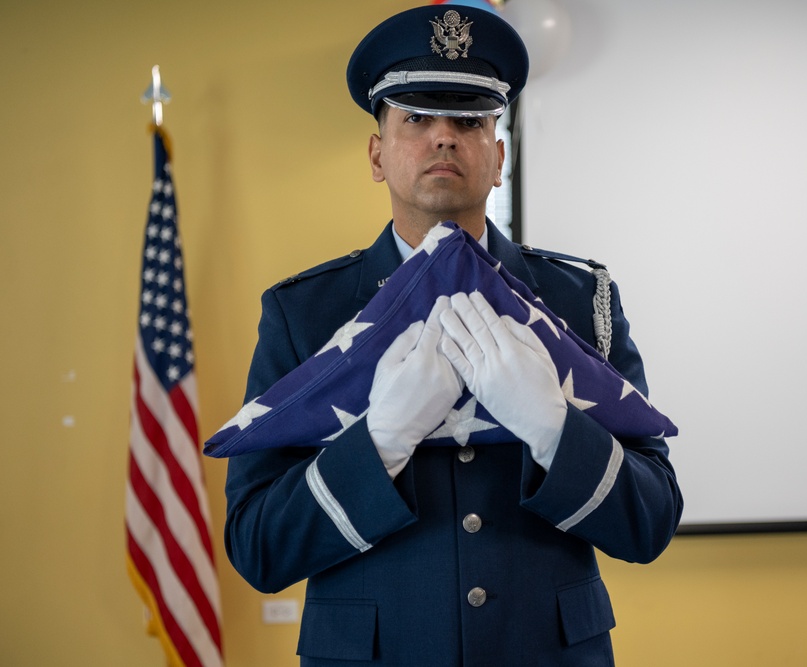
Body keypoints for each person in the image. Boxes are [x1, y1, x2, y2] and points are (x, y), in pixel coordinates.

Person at [222, 5, 682, 666]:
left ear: (497, 157)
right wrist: (378, 441)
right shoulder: (306, 312)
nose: (444, 136)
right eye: (415, 118)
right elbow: (260, 548)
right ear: (377, 153)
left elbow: (651, 522)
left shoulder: (582, 302)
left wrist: (556, 429)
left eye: (469, 119)